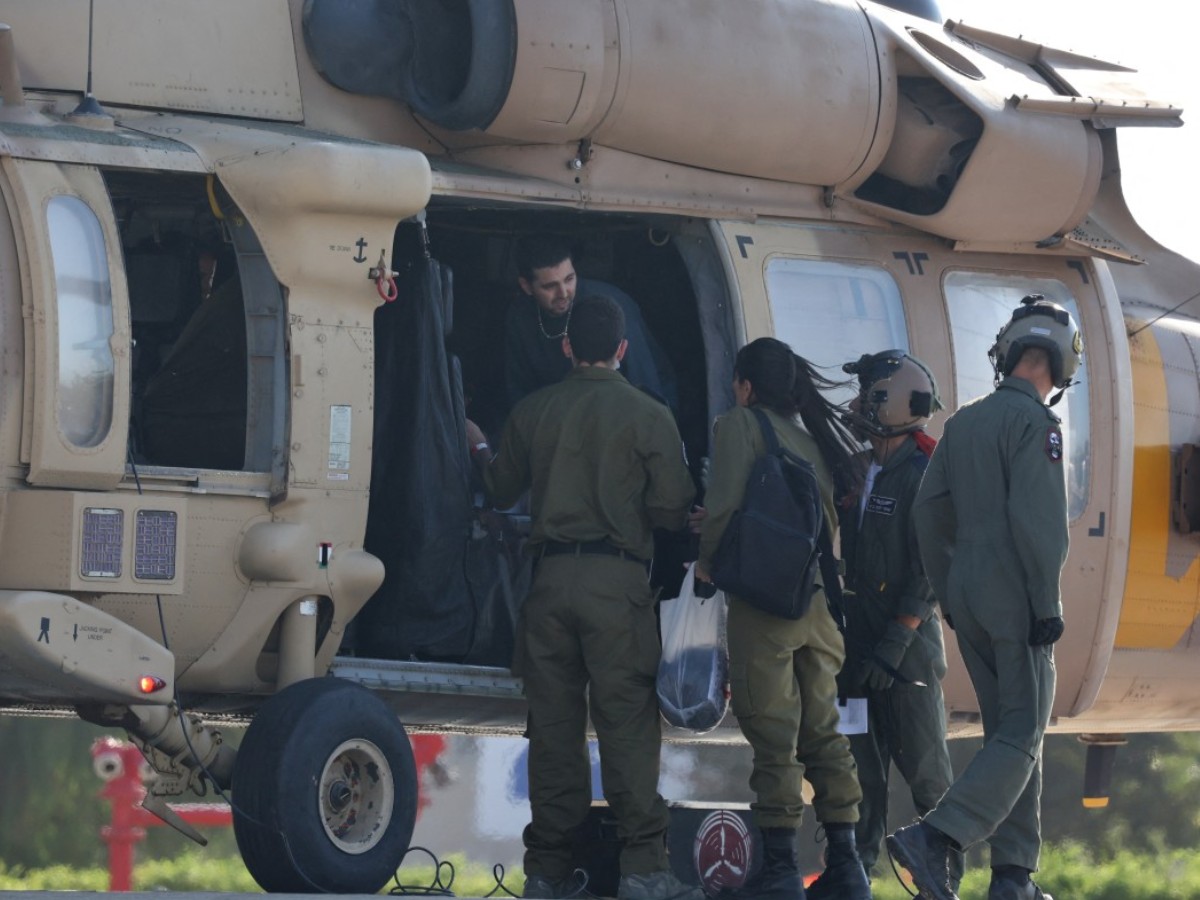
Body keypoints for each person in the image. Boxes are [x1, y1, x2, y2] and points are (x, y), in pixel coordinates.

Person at [465, 294, 700, 900]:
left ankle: (546, 873)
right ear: (622, 350)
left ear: (567, 346)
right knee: (626, 731)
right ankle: (645, 871)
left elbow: (499, 486)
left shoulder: (535, 410)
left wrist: (477, 445)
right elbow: (673, 509)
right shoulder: (649, 415)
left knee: (552, 732)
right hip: (617, 585)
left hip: (547, 587)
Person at [887, 295, 1083, 900]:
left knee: (1008, 731)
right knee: (1025, 729)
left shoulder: (963, 422)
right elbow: (1039, 524)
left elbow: (928, 512)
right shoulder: (1038, 427)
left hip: (965, 590)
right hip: (1013, 589)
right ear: (1058, 364)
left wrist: (950, 591)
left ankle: (1014, 876)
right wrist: (1045, 606)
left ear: (1009, 352)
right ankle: (939, 837)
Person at [694, 337, 871, 900]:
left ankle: (778, 874)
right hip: (817, 607)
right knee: (823, 732)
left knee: (773, 736)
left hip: (766, 608)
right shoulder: (812, 439)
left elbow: (722, 508)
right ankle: (847, 868)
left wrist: (706, 566)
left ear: (746, 387)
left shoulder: (739, 426)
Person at [816, 350, 961, 896]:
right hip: (855, 650)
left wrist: (895, 646)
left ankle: (942, 886)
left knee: (928, 778)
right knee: (857, 779)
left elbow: (927, 570)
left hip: (906, 660)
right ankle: (853, 881)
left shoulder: (925, 474)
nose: (855, 404)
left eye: (866, 394)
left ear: (890, 403)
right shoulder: (858, 467)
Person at [504, 234, 677, 411]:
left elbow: (645, 384)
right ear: (526, 287)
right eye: (550, 286)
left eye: (569, 279)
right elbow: (518, 390)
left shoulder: (610, 307)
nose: (563, 293)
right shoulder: (519, 316)